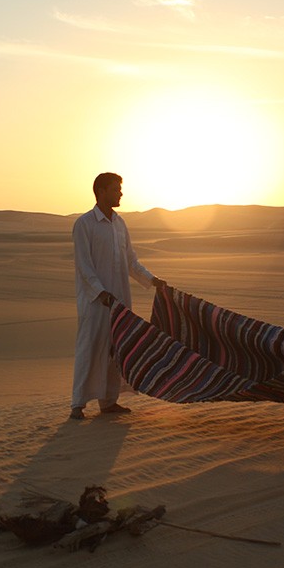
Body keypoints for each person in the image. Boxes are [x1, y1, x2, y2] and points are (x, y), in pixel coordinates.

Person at [70, 172, 166, 420]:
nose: (121, 193)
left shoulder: (120, 225)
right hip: (95, 302)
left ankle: (109, 402)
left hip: (119, 301)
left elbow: (131, 261)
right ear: (101, 191)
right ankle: (77, 404)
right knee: (90, 348)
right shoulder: (84, 224)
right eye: (116, 189)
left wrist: (152, 280)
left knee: (116, 349)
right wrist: (100, 293)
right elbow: (84, 265)